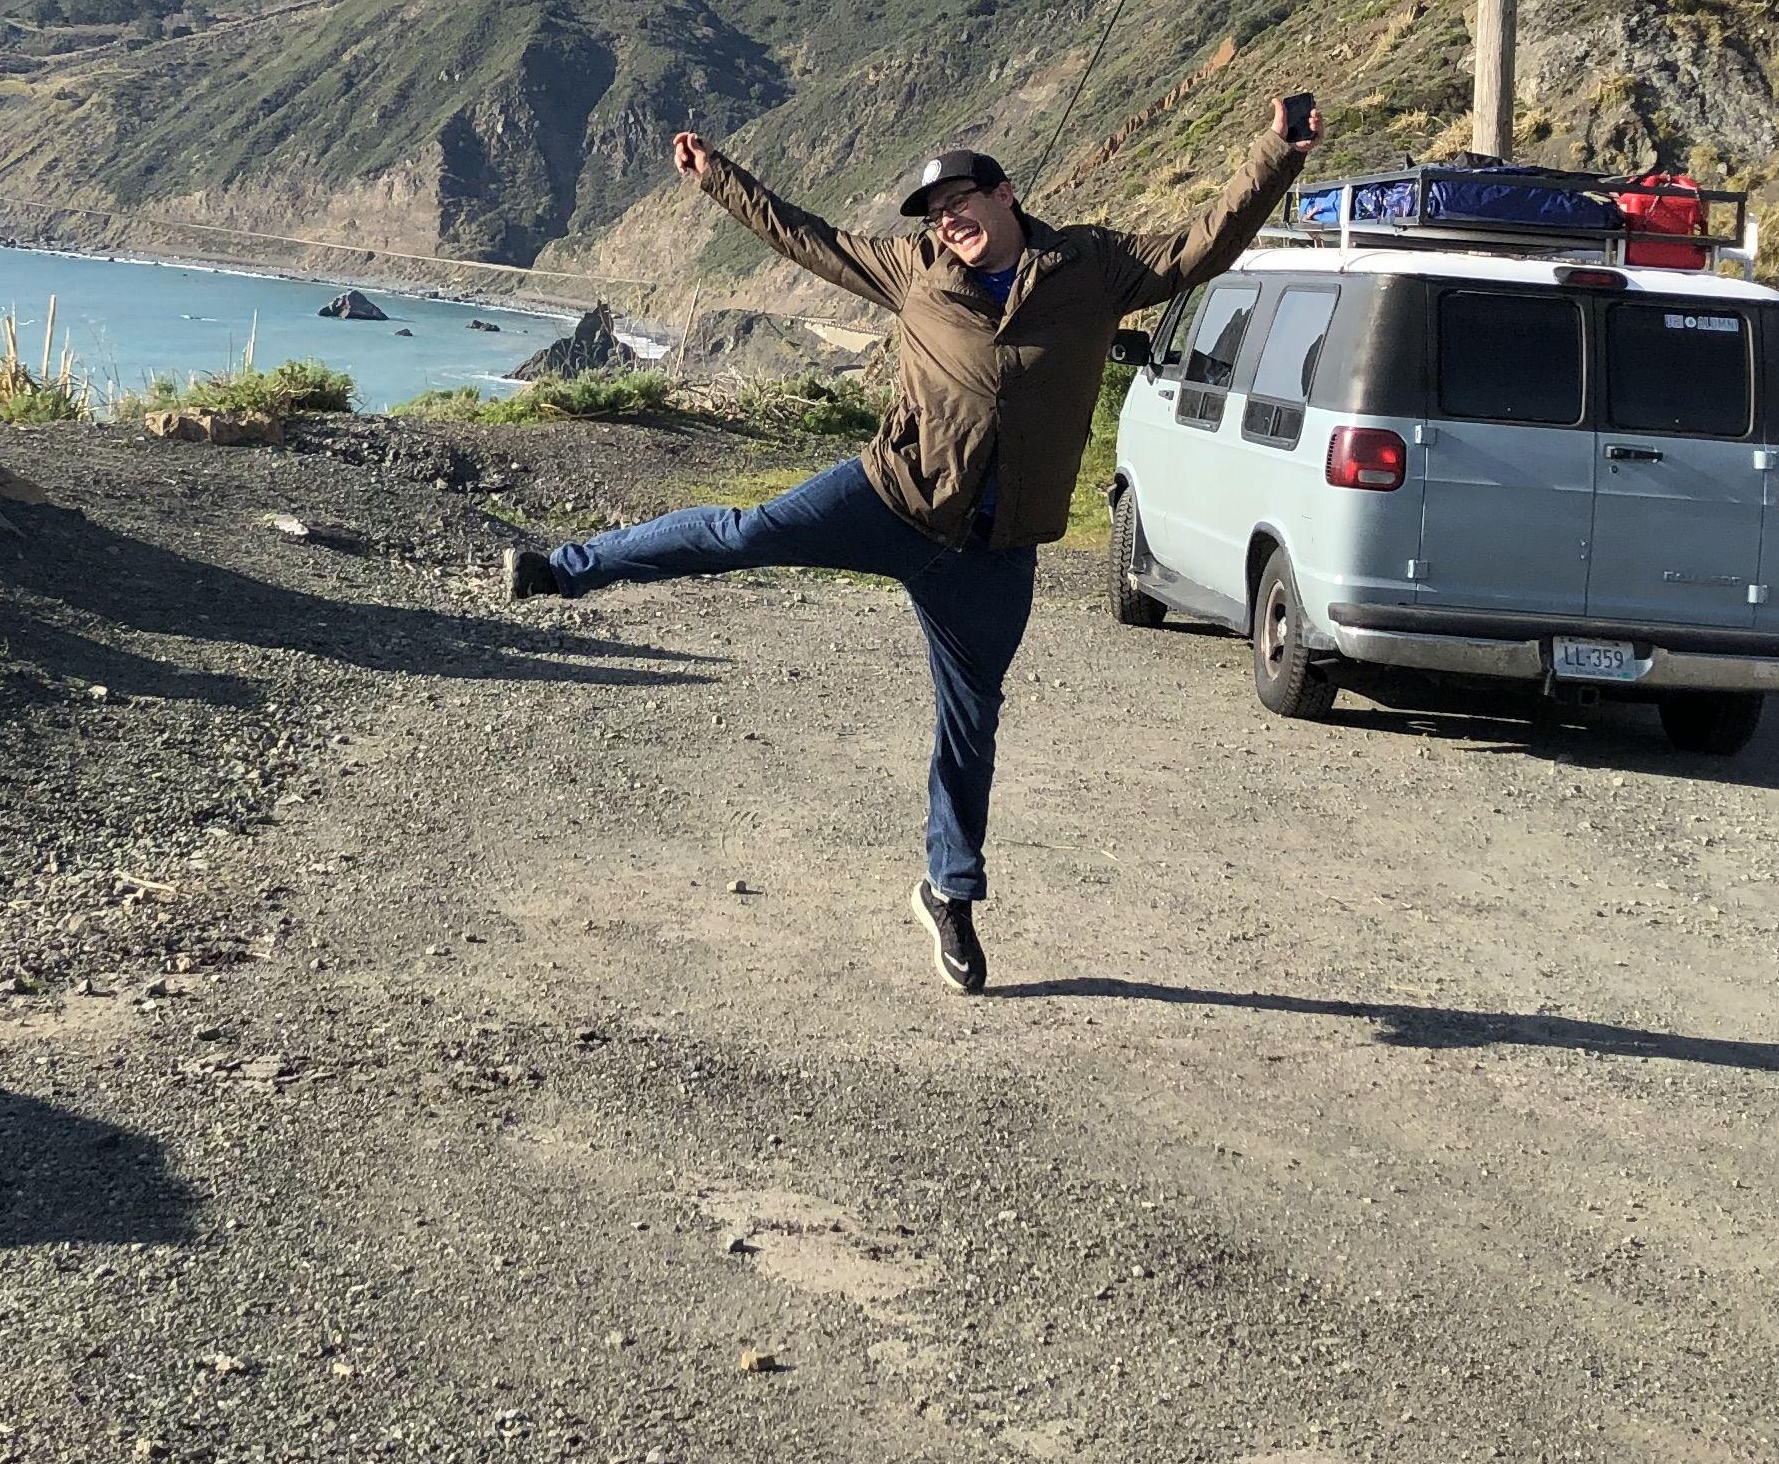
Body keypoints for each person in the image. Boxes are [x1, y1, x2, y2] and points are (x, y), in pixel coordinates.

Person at [501, 88, 1321, 991]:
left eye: (959, 201)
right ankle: (560, 570)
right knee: (738, 534)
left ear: (1004, 195)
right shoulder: (913, 270)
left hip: (996, 549)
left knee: (971, 726)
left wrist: (1276, 156)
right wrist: (715, 179)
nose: (947, 220)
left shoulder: (1091, 266)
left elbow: (1204, 241)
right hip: (889, 500)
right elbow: (802, 236)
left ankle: (950, 893)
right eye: (934, 212)